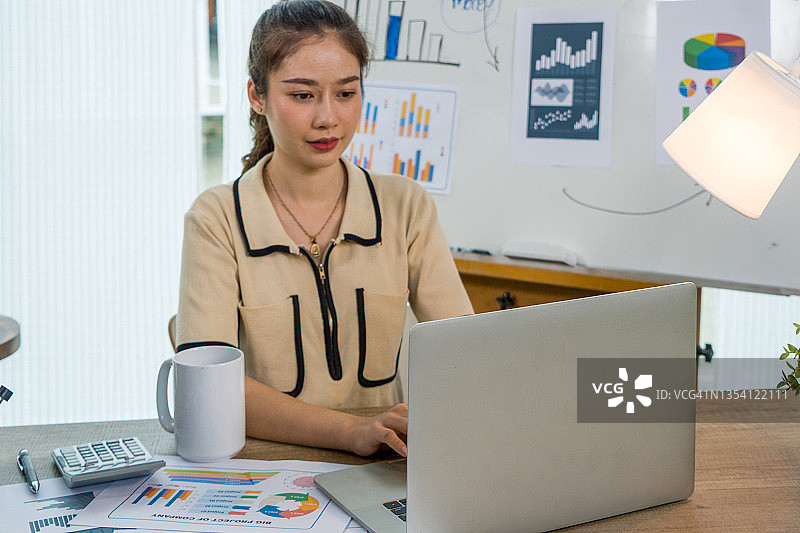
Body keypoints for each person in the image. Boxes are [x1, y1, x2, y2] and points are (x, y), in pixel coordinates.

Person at [176, 0, 473, 458]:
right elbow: (212, 392)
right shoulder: (216, 217)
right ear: (257, 96)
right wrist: (352, 431)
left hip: (384, 461)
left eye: (346, 93)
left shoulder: (405, 206)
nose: (328, 118)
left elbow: (467, 351)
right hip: (266, 466)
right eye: (302, 95)